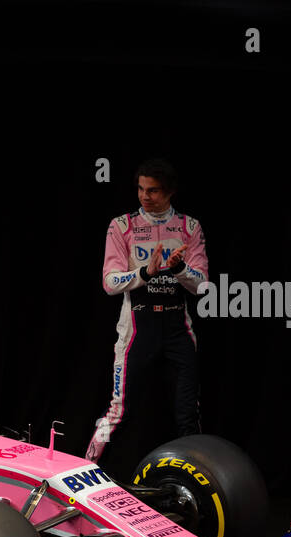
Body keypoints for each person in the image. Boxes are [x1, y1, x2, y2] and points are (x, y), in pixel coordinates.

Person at [85, 159, 209, 470]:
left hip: (178, 326)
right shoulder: (122, 225)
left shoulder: (188, 227)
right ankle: (84, 470)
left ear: (170, 192)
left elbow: (202, 286)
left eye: (152, 191)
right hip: (137, 326)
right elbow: (109, 282)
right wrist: (145, 272)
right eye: (141, 189)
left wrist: (179, 269)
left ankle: (196, 480)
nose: (144, 196)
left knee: (187, 412)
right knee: (119, 410)